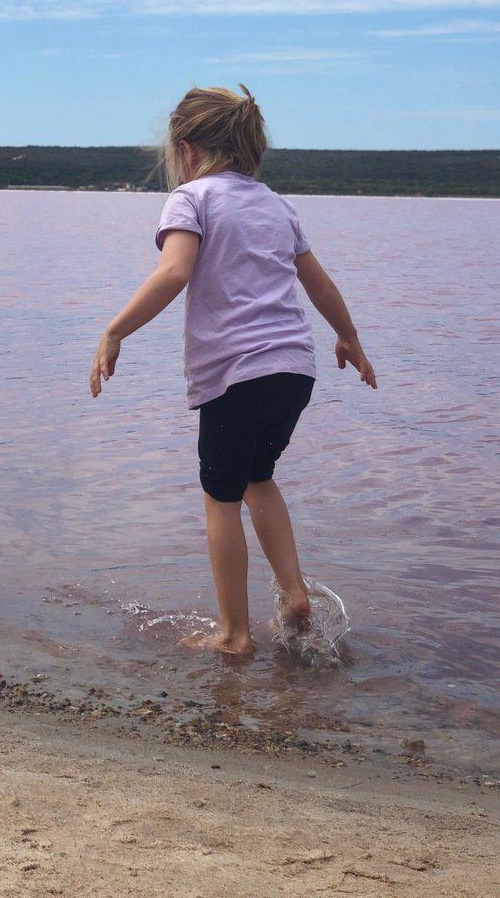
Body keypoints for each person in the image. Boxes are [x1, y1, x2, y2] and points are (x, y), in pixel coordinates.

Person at [90, 85, 377, 656]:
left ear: (187, 149)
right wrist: (349, 337)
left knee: (220, 495)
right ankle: (294, 593)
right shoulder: (277, 205)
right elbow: (319, 284)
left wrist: (115, 330)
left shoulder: (190, 198)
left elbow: (174, 273)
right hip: (294, 370)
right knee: (258, 477)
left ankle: (234, 634)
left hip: (236, 374)